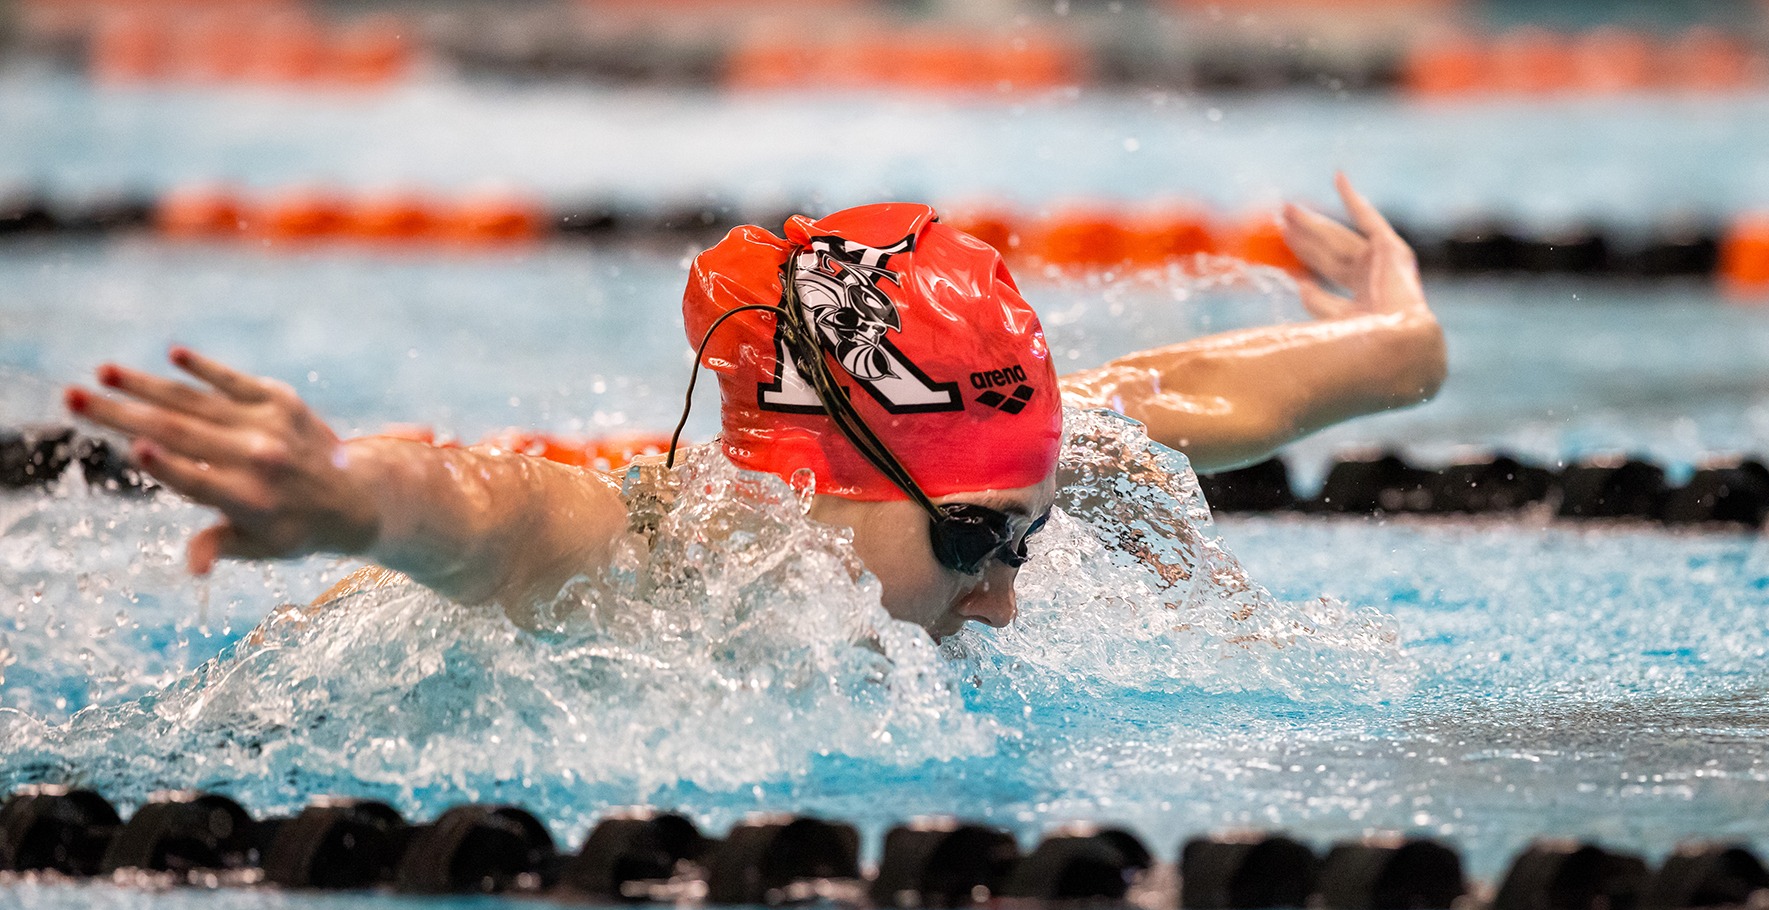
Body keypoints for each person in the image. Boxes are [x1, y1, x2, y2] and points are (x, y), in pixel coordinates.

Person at [62, 174, 1443, 642]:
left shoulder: (956, 462)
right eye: (974, 546)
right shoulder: (658, 557)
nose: (1009, 598)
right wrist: (351, 499)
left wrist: (1400, 343)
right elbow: (489, 514)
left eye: (1024, 537)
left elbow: (1170, 400)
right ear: (807, 486)